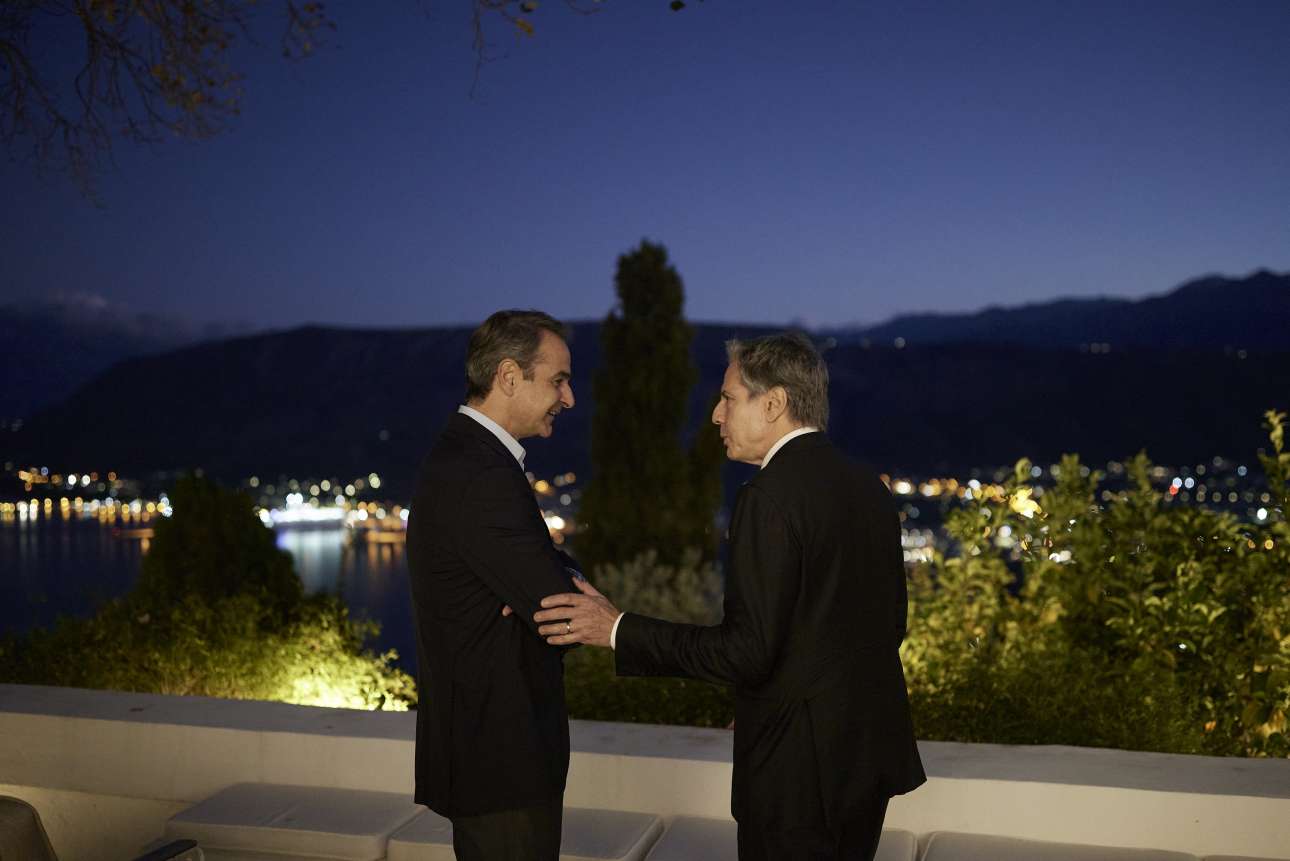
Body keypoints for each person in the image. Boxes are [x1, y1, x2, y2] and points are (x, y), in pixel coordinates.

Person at [535, 332, 926, 861]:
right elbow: (884, 626)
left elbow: (746, 651)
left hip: (797, 775)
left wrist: (617, 629)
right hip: (865, 756)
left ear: (774, 403)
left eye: (728, 398)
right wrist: (778, 697)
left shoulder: (767, 497)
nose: (717, 416)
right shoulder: (868, 487)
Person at [406, 309, 580, 861]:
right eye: (558, 380)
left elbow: (544, 581)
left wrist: (548, 577)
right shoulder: (482, 472)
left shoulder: (467, 457)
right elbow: (562, 614)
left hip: (488, 757)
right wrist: (555, 587)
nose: (569, 398)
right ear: (509, 376)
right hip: (502, 761)